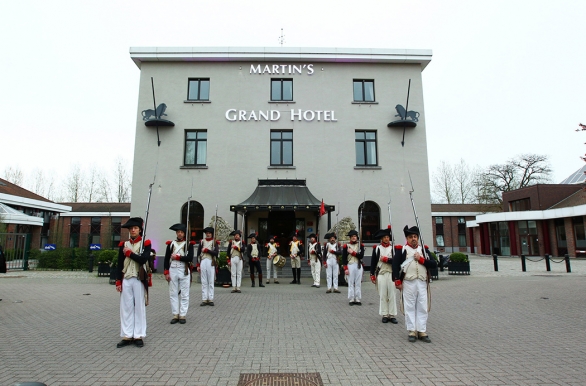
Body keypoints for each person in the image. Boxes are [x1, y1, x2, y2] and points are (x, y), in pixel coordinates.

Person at [393, 225, 437, 343]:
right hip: (408, 282)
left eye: (415, 236)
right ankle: (412, 330)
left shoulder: (423, 250)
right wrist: (397, 280)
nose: (413, 239)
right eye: (411, 237)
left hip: (422, 282)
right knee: (410, 307)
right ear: (407, 239)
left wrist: (422, 259)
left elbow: (433, 264)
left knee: (422, 306)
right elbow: (395, 265)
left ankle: (422, 330)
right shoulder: (402, 250)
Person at [115, 217, 151, 348]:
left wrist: (130, 253)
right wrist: (118, 280)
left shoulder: (145, 244)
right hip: (126, 278)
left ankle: (138, 335)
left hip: (138, 278)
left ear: (140, 230)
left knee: (139, 308)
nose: (133, 230)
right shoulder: (124, 245)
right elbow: (119, 264)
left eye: (135, 228)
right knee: (126, 308)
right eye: (131, 229)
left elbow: (143, 260)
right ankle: (127, 335)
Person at [163, 223, 194, 324]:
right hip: (173, 269)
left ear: (184, 234)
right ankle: (175, 314)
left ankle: (183, 314)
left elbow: (190, 258)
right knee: (173, 293)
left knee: (185, 293)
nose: (180, 234)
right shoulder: (171, 244)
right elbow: (166, 258)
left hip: (183, 269)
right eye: (178, 232)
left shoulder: (189, 244)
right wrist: (166, 271)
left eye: (181, 232)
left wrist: (179, 257)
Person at [369, 226, 398, 324]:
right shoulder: (377, 248)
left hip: (391, 273)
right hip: (381, 273)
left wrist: (387, 260)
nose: (386, 238)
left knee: (392, 294)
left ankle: (392, 314)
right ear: (381, 238)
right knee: (383, 294)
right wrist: (372, 274)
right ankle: (385, 314)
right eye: (385, 237)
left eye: (388, 237)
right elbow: (373, 262)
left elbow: (396, 262)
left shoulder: (393, 248)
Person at [196, 227, 219, 306]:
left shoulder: (214, 242)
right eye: (207, 233)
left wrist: (208, 251)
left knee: (211, 281)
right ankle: (204, 298)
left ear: (212, 234)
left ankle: (211, 298)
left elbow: (216, 253)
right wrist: (198, 264)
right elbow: (198, 254)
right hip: (203, 261)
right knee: (204, 281)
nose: (208, 234)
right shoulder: (202, 242)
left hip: (210, 262)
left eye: (209, 233)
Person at [342, 230, 365, 306]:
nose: (353, 238)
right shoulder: (346, 246)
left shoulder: (360, 245)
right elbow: (344, 258)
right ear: (350, 238)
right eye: (352, 237)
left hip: (358, 264)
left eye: (354, 236)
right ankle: (351, 298)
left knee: (358, 282)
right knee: (351, 282)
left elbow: (361, 256)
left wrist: (353, 252)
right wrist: (345, 268)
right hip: (350, 264)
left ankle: (358, 298)